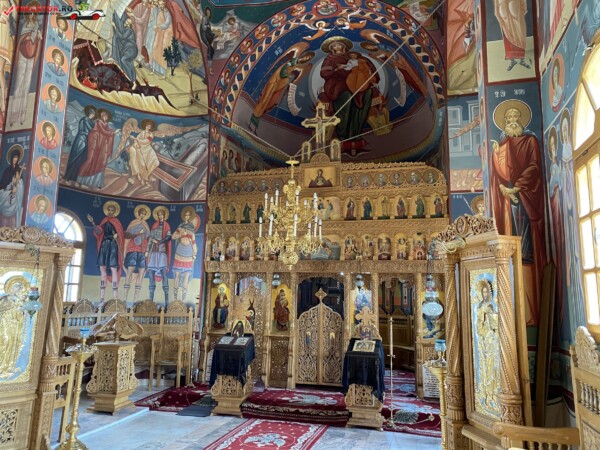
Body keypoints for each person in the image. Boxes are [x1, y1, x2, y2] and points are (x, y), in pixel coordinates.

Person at [490, 102, 547, 323]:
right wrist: (496, 155)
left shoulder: (530, 140)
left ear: (521, 119)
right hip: (510, 203)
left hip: (526, 199)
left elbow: (534, 167)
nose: (512, 120)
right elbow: (500, 174)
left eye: (515, 116)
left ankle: (530, 312)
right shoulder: (503, 145)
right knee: (513, 246)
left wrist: (516, 188)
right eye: (509, 118)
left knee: (526, 250)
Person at [318, 37, 381, 152]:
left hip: (355, 82)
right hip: (337, 83)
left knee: (367, 93)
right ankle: (342, 135)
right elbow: (324, 73)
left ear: (344, 47)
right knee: (346, 96)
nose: (337, 47)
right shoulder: (330, 58)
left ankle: (355, 133)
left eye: (339, 45)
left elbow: (365, 66)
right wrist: (337, 70)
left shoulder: (352, 56)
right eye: (334, 46)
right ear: (331, 49)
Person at [249, 51, 313, 133]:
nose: (306, 58)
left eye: (308, 58)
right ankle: (253, 119)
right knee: (264, 100)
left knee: (268, 103)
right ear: (304, 55)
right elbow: (283, 71)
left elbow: (290, 76)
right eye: (307, 56)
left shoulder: (297, 64)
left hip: (279, 83)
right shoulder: (293, 61)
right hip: (275, 80)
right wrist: (287, 77)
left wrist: (288, 80)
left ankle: (255, 123)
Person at [8, 10, 41, 127]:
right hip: (23, 53)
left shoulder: (36, 25)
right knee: (18, 84)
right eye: (30, 13)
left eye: (33, 13)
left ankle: (22, 116)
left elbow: (37, 40)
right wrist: (29, 35)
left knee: (26, 85)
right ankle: (13, 116)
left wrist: (37, 35)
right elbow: (21, 38)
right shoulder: (24, 24)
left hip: (31, 54)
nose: (31, 15)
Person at [88, 201, 124, 304]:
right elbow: (99, 232)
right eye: (109, 210)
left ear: (115, 212)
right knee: (102, 269)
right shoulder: (104, 221)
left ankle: (115, 299)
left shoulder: (117, 222)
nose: (110, 212)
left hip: (113, 246)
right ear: (107, 211)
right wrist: (93, 223)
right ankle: (101, 300)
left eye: (112, 210)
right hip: (104, 246)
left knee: (113, 269)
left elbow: (121, 234)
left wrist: (117, 235)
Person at [77, 109, 121, 189]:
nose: (105, 117)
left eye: (106, 116)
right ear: (101, 116)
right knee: (90, 160)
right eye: (104, 116)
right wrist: (114, 132)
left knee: (101, 162)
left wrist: (113, 132)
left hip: (102, 147)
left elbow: (107, 131)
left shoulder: (106, 124)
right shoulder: (98, 122)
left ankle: (97, 183)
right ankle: (81, 179)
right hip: (95, 144)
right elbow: (103, 132)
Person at [123, 204, 151, 304]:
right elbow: (127, 234)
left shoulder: (146, 225)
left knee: (141, 275)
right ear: (138, 214)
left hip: (142, 251)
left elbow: (148, 237)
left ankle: (135, 302)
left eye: (144, 214)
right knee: (129, 274)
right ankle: (124, 300)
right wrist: (139, 232)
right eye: (141, 213)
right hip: (133, 249)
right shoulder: (133, 223)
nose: (142, 215)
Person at [493, 0, 531, 70]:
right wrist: (500, 21)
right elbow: (496, 10)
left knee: (520, 37)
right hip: (505, 21)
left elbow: (523, 6)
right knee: (508, 41)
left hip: (517, 18)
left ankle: (522, 60)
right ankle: (512, 61)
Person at [146, 206, 172, 307]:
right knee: (151, 275)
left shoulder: (167, 225)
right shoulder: (154, 225)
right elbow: (150, 239)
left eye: (162, 215)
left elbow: (169, 237)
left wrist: (160, 241)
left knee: (164, 274)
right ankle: (150, 303)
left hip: (161, 251)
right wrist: (147, 251)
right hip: (153, 252)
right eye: (159, 215)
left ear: (164, 216)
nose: (161, 216)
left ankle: (167, 304)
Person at [63, 106, 96, 183]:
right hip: (81, 140)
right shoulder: (85, 120)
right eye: (92, 114)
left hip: (86, 140)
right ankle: (68, 176)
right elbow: (90, 129)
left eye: (94, 115)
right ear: (90, 113)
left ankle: (73, 177)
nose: (93, 116)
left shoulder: (92, 122)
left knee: (81, 159)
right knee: (76, 157)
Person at [172, 207, 198, 303]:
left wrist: (194, 254)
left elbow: (194, 243)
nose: (187, 217)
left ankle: (183, 299)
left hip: (188, 254)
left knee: (186, 275)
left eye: (188, 215)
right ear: (184, 216)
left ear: (190, 216)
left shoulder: (191, 228)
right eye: (186, 215)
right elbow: (173, 237)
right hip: (179, 252)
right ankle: (175, 298)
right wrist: (180, 234)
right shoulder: (180, 226)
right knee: (177, 275)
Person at [127, 119, 160, 185]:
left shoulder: (151, 134)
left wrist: (136, 139)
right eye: (147, 126)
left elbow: (146, 142)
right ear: (145, 126)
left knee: (155, 161)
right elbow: (137, 141)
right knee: (138, 158)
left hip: (148, 149)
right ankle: (139, 177)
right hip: (140, 148)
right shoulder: (142, 133)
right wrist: (136, 142)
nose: (148, 127)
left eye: (149, 126)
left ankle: (146, 177)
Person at [0, 147, 24, 227]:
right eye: (14, 157)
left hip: (14, 204)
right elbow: (2, 188)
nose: (15, 159)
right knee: (4, 223)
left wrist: (18, 184)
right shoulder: (7, 171)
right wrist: (10, 191)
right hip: (6, 203)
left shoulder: (19, 170)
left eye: (17, 157)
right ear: (11, 158)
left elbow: (21, 186)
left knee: (13, 224)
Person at [200, 7, 215, 74]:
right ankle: (209, 66)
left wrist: (214, 34)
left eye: (209, 12)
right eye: (207, 12)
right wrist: (207, 26)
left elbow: (209, 31)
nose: (208, 14)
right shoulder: (204, 18)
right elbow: (204, 28)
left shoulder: (208, 20)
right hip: (203, 35)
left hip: (207, 35)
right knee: (209, 47)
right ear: (206, 12)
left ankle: (210, 64)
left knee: (212, 49)